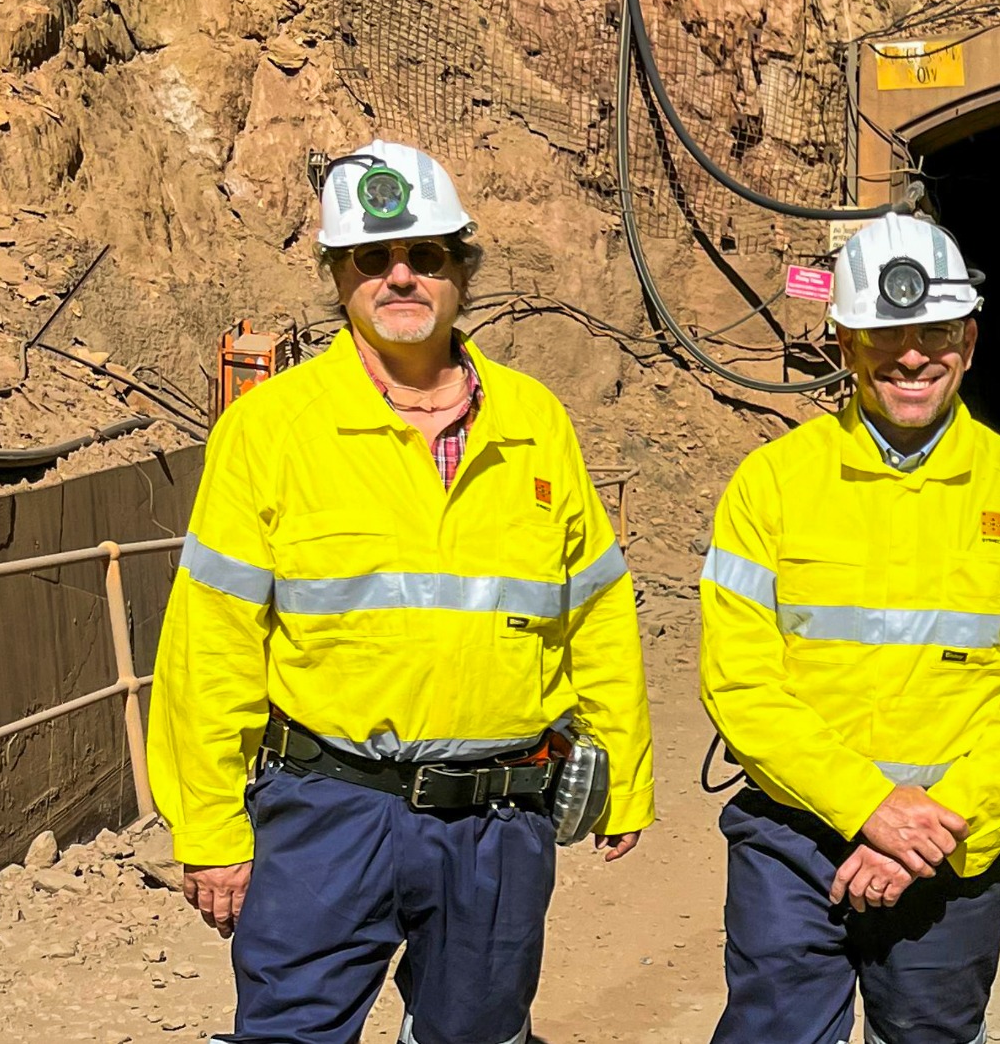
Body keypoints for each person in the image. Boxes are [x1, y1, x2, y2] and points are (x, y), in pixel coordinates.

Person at [150, 139, 653, 1044]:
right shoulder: (272, 428)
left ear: (462, 268)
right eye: (370, 258)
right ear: (337, 277)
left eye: (425, 255)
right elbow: (210, 636)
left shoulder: (536, 421)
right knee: (290, 1031)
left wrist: (627, 770)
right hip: (328, 809)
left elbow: (598, 609)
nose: (400, 276)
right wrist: (211, 825)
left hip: (500, 815)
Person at [699, 211, 1000, 1044]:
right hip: (793, 834)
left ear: (971, 339)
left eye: (936, 329)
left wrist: (927, 827)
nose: (913, 353)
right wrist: (868, 805)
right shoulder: (773, 482)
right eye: (885, 332)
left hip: (951, 848)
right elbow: (740, 681)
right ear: (844, 341)